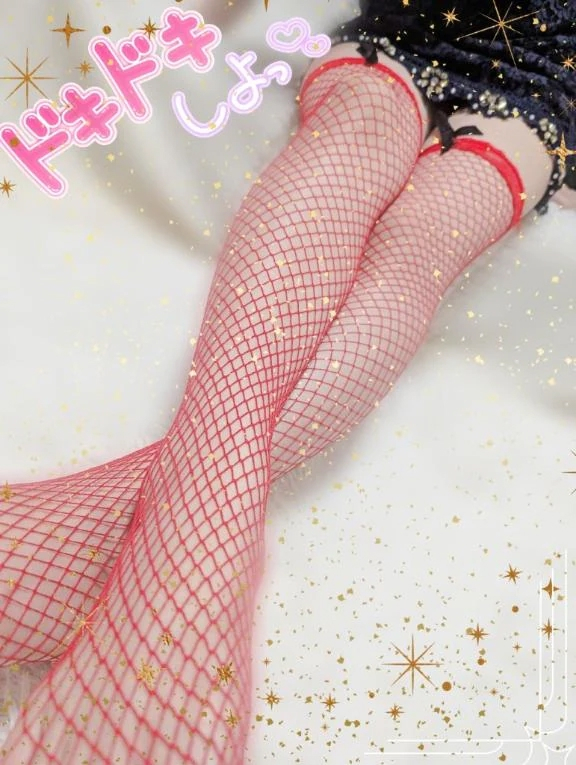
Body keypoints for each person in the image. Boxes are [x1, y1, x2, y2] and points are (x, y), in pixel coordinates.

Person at [1, 1, 575, 762]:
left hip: (537, 100)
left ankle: (137, 546)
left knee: (426, 234)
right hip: (398, 44)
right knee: (351, 149)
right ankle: (190, 574)